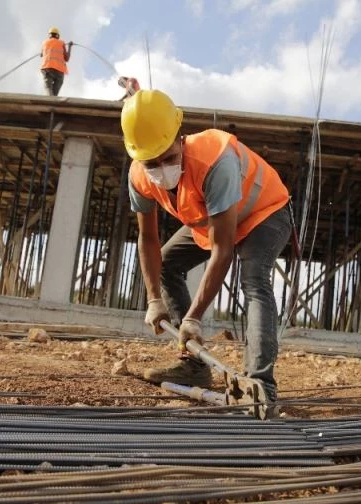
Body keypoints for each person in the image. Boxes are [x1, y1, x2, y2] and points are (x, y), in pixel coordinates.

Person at [121, 89, 292, 405]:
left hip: (264, 211)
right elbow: (148, 240)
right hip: (213, 220)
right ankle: (195, 368)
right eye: (151, 163)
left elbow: (223, 250)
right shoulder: (138, 177)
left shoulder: (216, 160)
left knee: (254, 279)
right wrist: (154, 299)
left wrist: (193, 318)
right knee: (168, 263)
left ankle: (260, 386)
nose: (161, 170)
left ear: (181, 138)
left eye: (169, 159)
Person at [40, 27, 72, 96]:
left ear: (49, 35)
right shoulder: (61, 43)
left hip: (47, 68)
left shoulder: (44, 43)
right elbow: (67, 58)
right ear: (58, 35)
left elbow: (41, 54)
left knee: (48, 88)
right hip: (59, 71)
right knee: (55, 92)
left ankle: (51, 101)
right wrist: (69, 46)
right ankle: (52, 101)